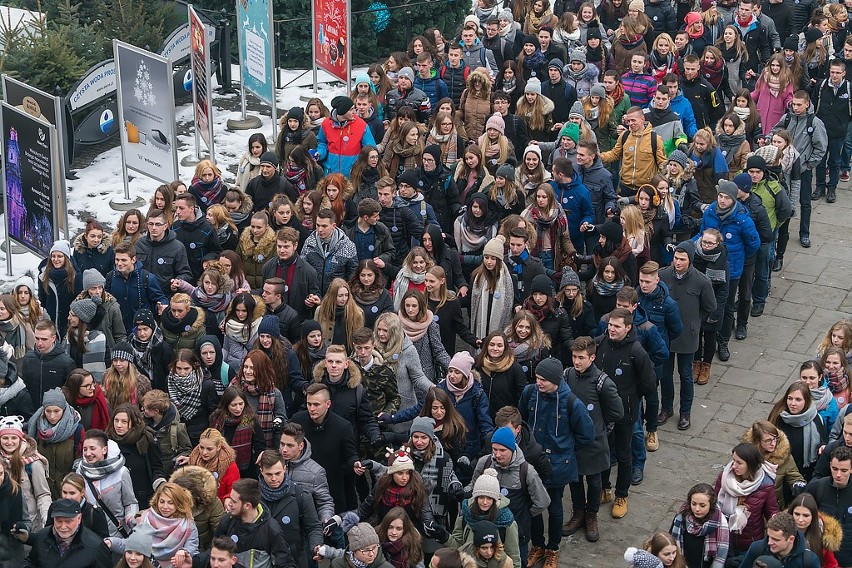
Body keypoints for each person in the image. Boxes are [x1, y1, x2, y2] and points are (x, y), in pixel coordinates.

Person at [518, 358, 593, 568]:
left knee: (555, 506)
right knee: (533, 505)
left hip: (557, 465)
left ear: (555, 380)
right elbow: (521, 421)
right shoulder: (529, 393)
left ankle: (553, 548)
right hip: (531, 462)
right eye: (537, 378)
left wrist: (565, 449)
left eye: (543, 379)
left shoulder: (572, 403)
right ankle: (537, 546)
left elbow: (586, 435)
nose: (538, 382)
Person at [595, 308, 657, 518]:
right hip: (601, 411)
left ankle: (622, 495)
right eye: (610, 325)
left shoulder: (636, 351)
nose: (611, 329)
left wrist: (630, 396)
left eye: (616, 326)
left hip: (626, 413)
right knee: (603, 451)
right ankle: (604, 488)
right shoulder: (600, 343)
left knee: (623, 454)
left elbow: (649, 383)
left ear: (628, 328)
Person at [563, 336, 624, 543]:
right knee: (574, 479)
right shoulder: (567, 375)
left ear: (592, 357)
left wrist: (598, 426)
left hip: (595, 441)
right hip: (572, 439)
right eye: (574, 356)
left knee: (595, 480)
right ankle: (578, 512)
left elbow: (617, 412)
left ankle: (591, 516)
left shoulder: (603, 382)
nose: (576, 361)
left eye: (581, 357)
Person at [694, 181, 759, 362]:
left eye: (726, 198)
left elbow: (754, 243)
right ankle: (708, 336)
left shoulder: (742, 219)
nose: (722, 201)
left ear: (733, 199)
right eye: (720, 196)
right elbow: (701, 234)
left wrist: (739, 260)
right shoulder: (710, 212)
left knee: (727, 305)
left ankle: (723, 341)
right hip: (708, 265)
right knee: (707, 301)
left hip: (731, 269)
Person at [659, 241, 716, 431]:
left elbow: (710, 306)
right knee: (665, 374)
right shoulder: (663, 275)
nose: (678, 262)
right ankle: (666, 408)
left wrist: (695, 322)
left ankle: (685, 412)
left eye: (682, 259)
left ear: (690, 260)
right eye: (676, 258)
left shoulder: (701, 281)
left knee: (685, 375)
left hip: (687, 336)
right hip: (666, 335)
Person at [290, 383, 361, 513]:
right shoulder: (298, 420)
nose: (311, 408)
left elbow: (350, 454)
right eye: (309, 404)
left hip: (332, 488)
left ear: (328, 404)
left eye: (316, 405)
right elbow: (286, 445)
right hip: (302, 488)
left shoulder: (343, 427)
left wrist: (354, 462)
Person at [769, 90, 826, 249]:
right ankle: (780, 230)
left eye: (799, 105)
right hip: (783, 168)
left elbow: (820, 148)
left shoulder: (814, 122)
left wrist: (807, 165)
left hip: (802, 170)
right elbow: (775, 132)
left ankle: (804, 233)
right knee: (783, 199)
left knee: (805, 201)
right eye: (793, 104)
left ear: (807, 104)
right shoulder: (787, 118)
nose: (795, 107)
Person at [257, 450, 323, 568]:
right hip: (261, 560)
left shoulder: (300, 496)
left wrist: (316, 545)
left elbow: (313, 526)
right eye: (269, 474)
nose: (273, 478)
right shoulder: (252, 498)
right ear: (261, 471)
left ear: (284, 469)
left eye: (278, 473)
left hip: (294, 560)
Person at [714, 442, 779, 559]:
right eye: (733, 460)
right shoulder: (724, 478)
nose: (734, 466)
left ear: (750, 464)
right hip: (724, 540)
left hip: (750, 544)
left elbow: (772, 513)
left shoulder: (765, 485)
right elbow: (714, 506)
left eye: (739, 463)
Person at [23, 498, 112, 568]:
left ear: (79, 519)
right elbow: (31, 562)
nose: (63, 527)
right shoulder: (42, 536)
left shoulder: (96, 547)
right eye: (59, 521)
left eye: (68, 522)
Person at [768, 381, 828, 482]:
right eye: (790, 398)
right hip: (781, 472)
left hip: (806, 472)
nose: (792, 403)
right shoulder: (778, 417)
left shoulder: (816, 419)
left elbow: (824, 440)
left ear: (806, 401)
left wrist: (822, 447)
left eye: (798, 399)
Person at [600, 106, 667, 195]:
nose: (630, 123)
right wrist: (599, 156)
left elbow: (662, 164)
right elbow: (614, 154)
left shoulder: (655, 139)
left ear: (642, 119)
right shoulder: (624, 136)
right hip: (625, 187)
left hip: (646, 189)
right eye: (628, 121)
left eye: (633, 120)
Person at [744, 420, 805, 508]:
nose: (773, 443)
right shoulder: (746, 455)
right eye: (768, 441)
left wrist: (798, 485)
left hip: (773, 506)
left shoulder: (783, 456)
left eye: (775, 438)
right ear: (757, 441)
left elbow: (794, 476)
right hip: (750, 505)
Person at [669, 483, 730, 568]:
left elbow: (720, 557)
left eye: (702, 505)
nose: (697, 509)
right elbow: (671, 541)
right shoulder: (681, 516)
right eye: (693, 504)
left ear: (711, 505)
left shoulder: (720, 523)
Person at [135, 209, 193, 296]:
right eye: (151, 224)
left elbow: (186, 274)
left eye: (158, 224)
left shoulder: (177, 247)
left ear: (165, 226)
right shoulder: (139, 244)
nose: (154, 228)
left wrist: (177, 281)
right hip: (142, 294)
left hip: (165, 295)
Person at [316, 96, 376, 176]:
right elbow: (322, 142)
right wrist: (320, 153)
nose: (354, 112)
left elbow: (370, 148)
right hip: (331, 172)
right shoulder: (326, 124)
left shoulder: (362, 125)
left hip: (352, 173)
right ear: (342, 111)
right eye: (351, 109)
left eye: (354, 108)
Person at [739, 511, 820, 568]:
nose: (770, 542)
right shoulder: (756, 549)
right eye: (769, 536)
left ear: (791, 539)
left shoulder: (809, 560)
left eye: (776, 539)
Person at [172, 193, 223, 281]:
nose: (177, 211)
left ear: (192, 208)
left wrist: (207, 259)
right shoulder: (174, 227)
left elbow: (217, 251)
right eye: (176, 208)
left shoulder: (207, 228)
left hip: (200, 278)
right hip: (179, 278)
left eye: (181, 208)